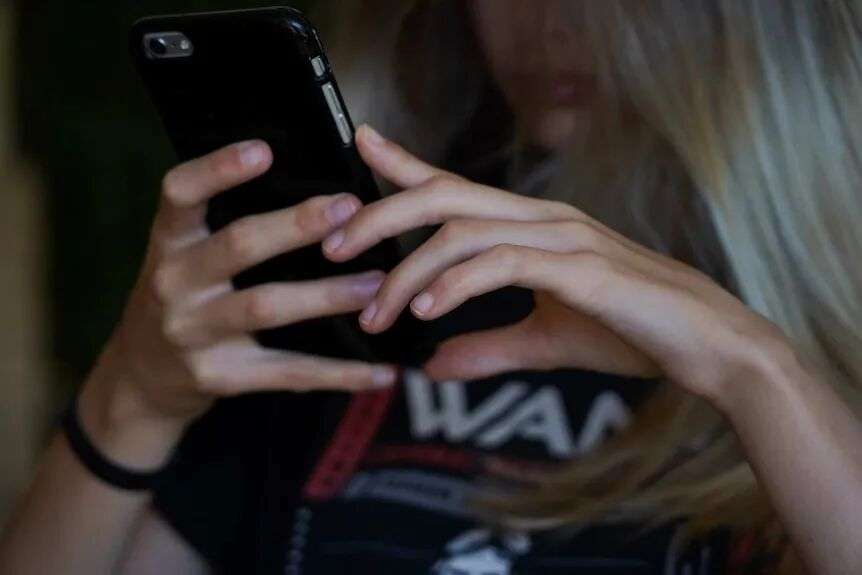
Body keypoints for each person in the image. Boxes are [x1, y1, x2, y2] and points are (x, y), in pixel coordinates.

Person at [2, 1, 861, 573]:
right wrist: (133, 397)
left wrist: (756, 371)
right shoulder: (360, 307)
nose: (544, 21)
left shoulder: (807, 387)